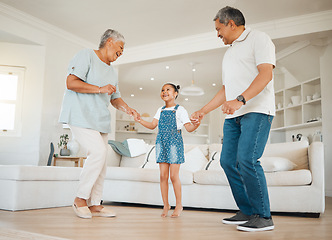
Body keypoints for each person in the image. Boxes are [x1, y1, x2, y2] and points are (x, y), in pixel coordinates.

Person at [191, 6, 276, 232]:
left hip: (257, 110)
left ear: (231, 23)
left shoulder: (259, 38)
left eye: (219, 29)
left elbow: (266, 74)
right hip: (234, 115)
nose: (217, 34)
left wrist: (241, 99)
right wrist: (203, 110)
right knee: (228, 161)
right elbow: (225, 90)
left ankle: (264, 216)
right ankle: (247, 211)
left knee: (247, 159)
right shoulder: (229, 53)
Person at [59, 29, 140, 219]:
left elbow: (115, 98)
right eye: (120, 48)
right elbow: (71, 82)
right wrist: (99, 89)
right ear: (110, 42)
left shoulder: (112, 71)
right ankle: (80, 199)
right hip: (79, 115)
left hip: (100, 120)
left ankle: (95, 203)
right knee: (98, 153)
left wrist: (128, 109)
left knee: (102, 161)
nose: (121, 52)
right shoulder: (86, 55)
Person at [135, 83, 200, 217]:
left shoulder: (180, 110)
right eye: (162, 90)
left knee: (173, 176)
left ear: (175, 93)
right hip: (161, 142)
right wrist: (139, 120)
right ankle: (166, 205)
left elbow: (188, 127)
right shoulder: (160, 109)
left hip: (174, 143)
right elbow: (153, 125)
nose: (164, 92)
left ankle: (179, 205)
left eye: (168, 90)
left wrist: (196, 125)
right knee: (163, 176)